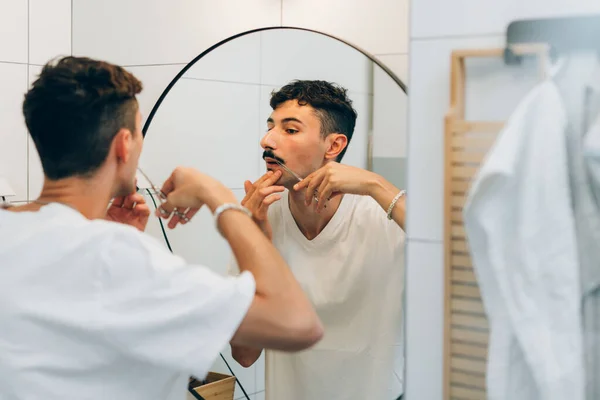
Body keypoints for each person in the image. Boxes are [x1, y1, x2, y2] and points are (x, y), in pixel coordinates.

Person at [0, 57, 323, 400]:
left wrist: (99, 231)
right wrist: (219, 199)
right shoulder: (122, 260)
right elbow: (298, 324)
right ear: (124, 145)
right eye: (139, 131)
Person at [229, 80, 407, 400]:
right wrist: (254, 241)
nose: (266, 140)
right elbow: (244, 354)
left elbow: (455, 252)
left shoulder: (382, 216)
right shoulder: (261, 219)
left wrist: (376, 184)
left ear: (334, 146)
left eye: (290, 130)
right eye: (270, 127)